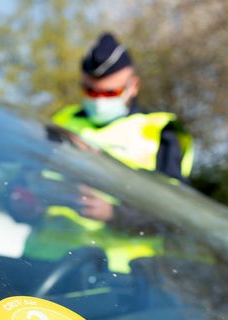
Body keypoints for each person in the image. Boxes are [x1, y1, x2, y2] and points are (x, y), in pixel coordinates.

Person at [52, 32, 193, 223]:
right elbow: (22, 178)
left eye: (110, 93)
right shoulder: (62, 120)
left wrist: (115, 214)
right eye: (90, 91)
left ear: (133, 86)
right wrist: (23, 203)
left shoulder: (157, 132)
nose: (99, 100)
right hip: (44, 249)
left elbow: (175, 212)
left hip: (121, 252)